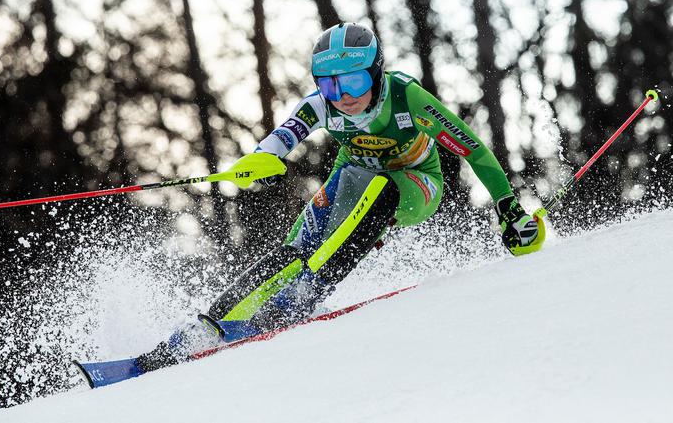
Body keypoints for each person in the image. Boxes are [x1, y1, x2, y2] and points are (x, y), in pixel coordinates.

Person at [136, 22, 541, 371]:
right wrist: (261, 160)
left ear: (376, 73)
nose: (343, 95)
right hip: (354, 179)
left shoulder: (406, 97)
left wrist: (507, 208)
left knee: (379, 189)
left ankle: (308, 292)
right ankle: (207, 325)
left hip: (416, 183)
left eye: (354, 80)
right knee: (299, 246)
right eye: (329, 83)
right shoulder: (323, 105)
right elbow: (284, 135)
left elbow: (473, 149)